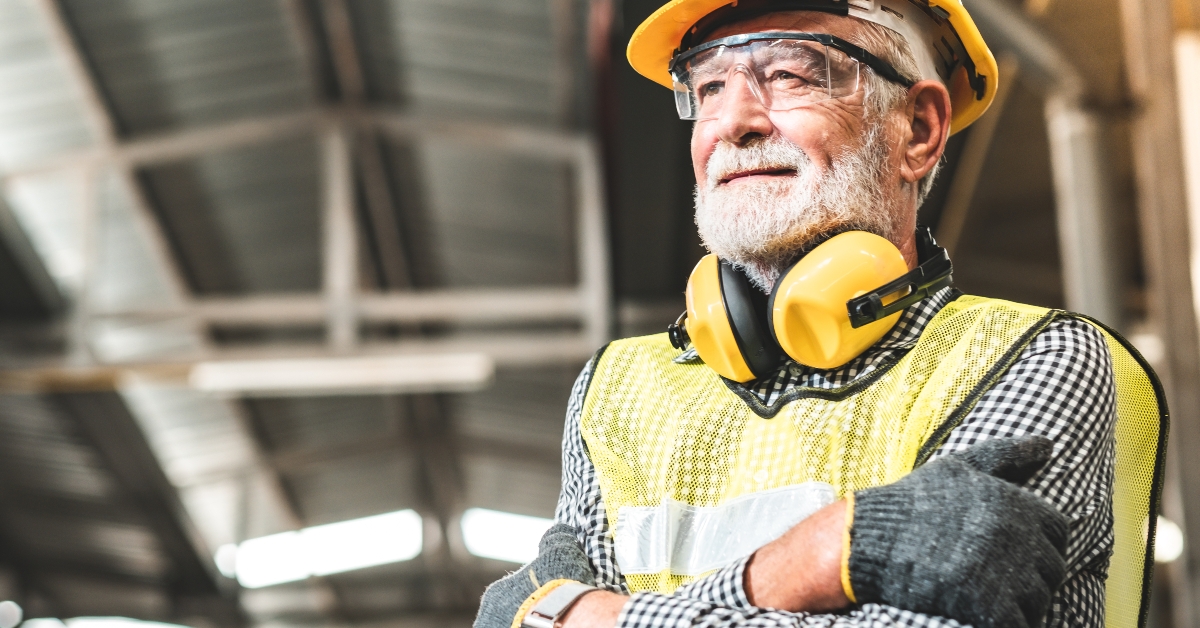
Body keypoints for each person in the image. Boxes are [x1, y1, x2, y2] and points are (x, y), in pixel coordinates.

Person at [474, 1, 1166, 628]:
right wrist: (800, 565)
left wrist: (588, 618)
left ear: (920, 129)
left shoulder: (1034, 358)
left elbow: (532, 616)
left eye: (789, 74)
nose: (734, 122)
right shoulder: (620, 388)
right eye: (709, 87)